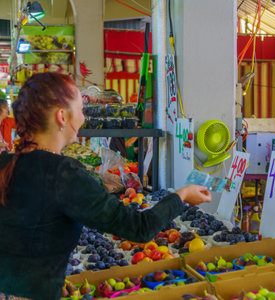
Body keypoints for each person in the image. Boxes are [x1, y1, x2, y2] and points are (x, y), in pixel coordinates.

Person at [0, 72, 212, 299]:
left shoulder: (6, 163)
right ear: (62, 116)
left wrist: (50, 279)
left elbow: (26, 238)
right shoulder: (64, 174)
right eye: (81, 110)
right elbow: (138, 228)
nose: (83, 119)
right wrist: (182, 196)